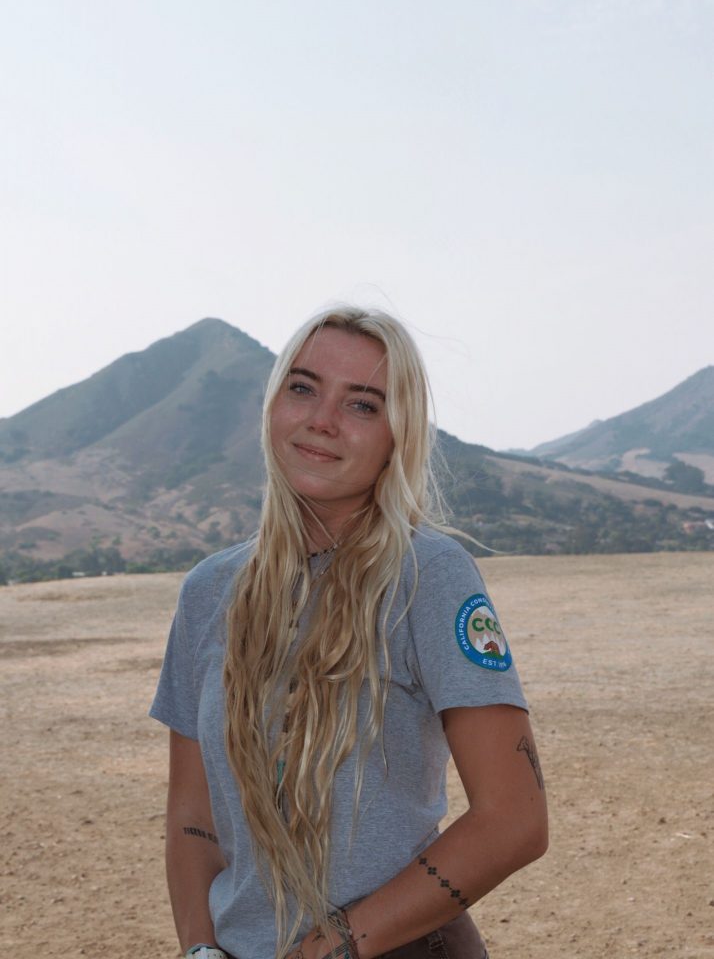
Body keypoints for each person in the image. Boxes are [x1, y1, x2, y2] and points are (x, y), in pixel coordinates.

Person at [150, 307, 548, 959]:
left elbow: (515, 820)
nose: (322, 420)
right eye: (302, 388)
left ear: (399, 435)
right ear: (272, 405)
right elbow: (194, 815)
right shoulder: (207, 594)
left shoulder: (430, 575)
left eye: (362, 405)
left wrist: (335, 945)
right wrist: (200, 949)